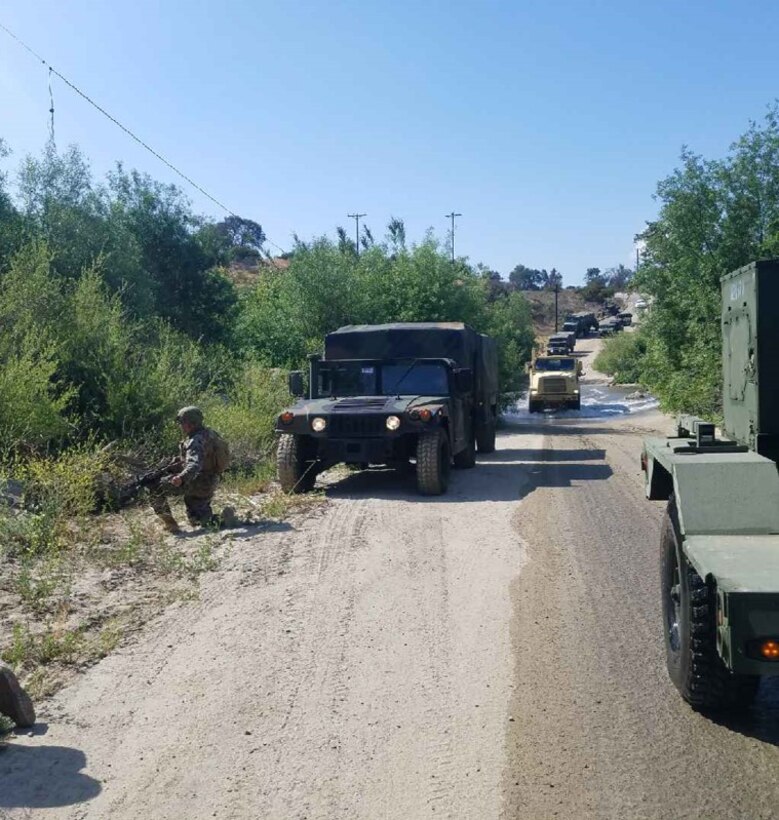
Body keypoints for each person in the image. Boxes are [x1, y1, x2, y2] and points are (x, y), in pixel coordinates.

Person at [149, 406, 227, 534]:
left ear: (190, 424)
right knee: (198, 520)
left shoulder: (195, 441)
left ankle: (170, 525)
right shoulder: (210, 433)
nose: (181, 426)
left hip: (200, 483)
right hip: (210, 481)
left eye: (182, 423)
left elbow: (194, 465)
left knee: (154, 487)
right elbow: (205, 459)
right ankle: (222, 520)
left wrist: (181, 478)